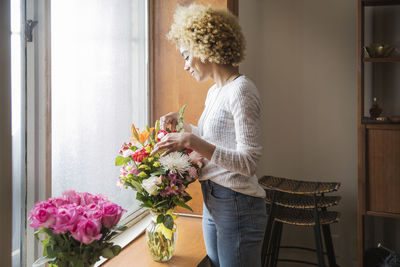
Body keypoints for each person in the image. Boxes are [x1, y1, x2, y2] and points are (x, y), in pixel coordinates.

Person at [151, 4, 266, 267]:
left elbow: (248, 163)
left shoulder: (241, 90)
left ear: (204, 48)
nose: (185, 66)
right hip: (213, 198)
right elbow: (214, 138)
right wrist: (183, 127)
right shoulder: (216, 91)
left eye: (186, 55)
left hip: (237, 202)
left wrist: (190, 141)